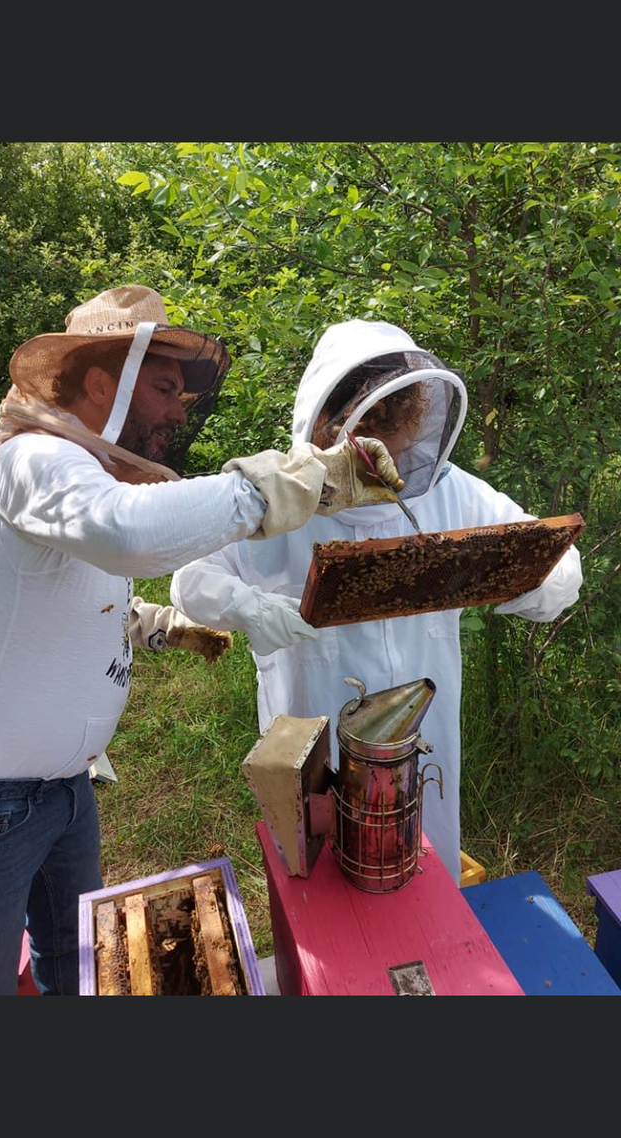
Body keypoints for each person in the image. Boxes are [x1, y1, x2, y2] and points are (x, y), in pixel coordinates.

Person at [0, 287, 403, 995]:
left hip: (64, 792)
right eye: (166, 387)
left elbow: (78, 592)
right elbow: (124, 533)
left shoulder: (81, 475)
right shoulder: (33, 461)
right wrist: (295, 480)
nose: (180, 410)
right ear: (99, 383)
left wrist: (160, 625)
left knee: (70, 964)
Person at [170, 318, 583, 884]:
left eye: (402, 430)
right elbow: (190, 578)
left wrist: (523, 579)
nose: (390, 451)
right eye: (373, 431)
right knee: (321, 881)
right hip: (312, 726)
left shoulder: (450, 490)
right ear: (329, 426)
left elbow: (558, 565)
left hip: (423, 728)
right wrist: (248, 607)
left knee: (424, 870)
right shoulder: (277, 493)